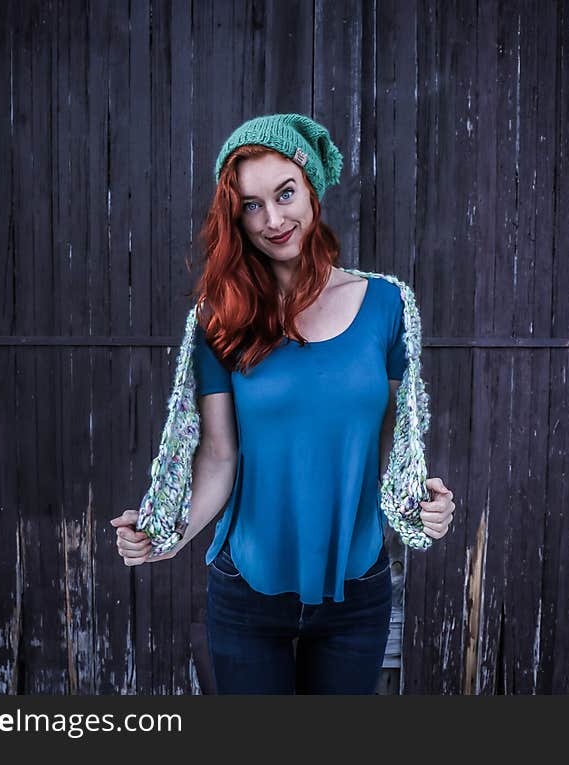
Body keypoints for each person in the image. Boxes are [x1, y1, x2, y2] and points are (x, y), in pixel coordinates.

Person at [109, 113, 455, 694]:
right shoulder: (220, 320)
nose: (274, 220)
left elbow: (399, 446)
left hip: (357, 585)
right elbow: (220, 459)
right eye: (251, 205)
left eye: (285, 193)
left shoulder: (389, 307)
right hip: (247, 590)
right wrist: (161, 538)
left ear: (311, 188)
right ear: (235, 218)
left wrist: (426, 511)